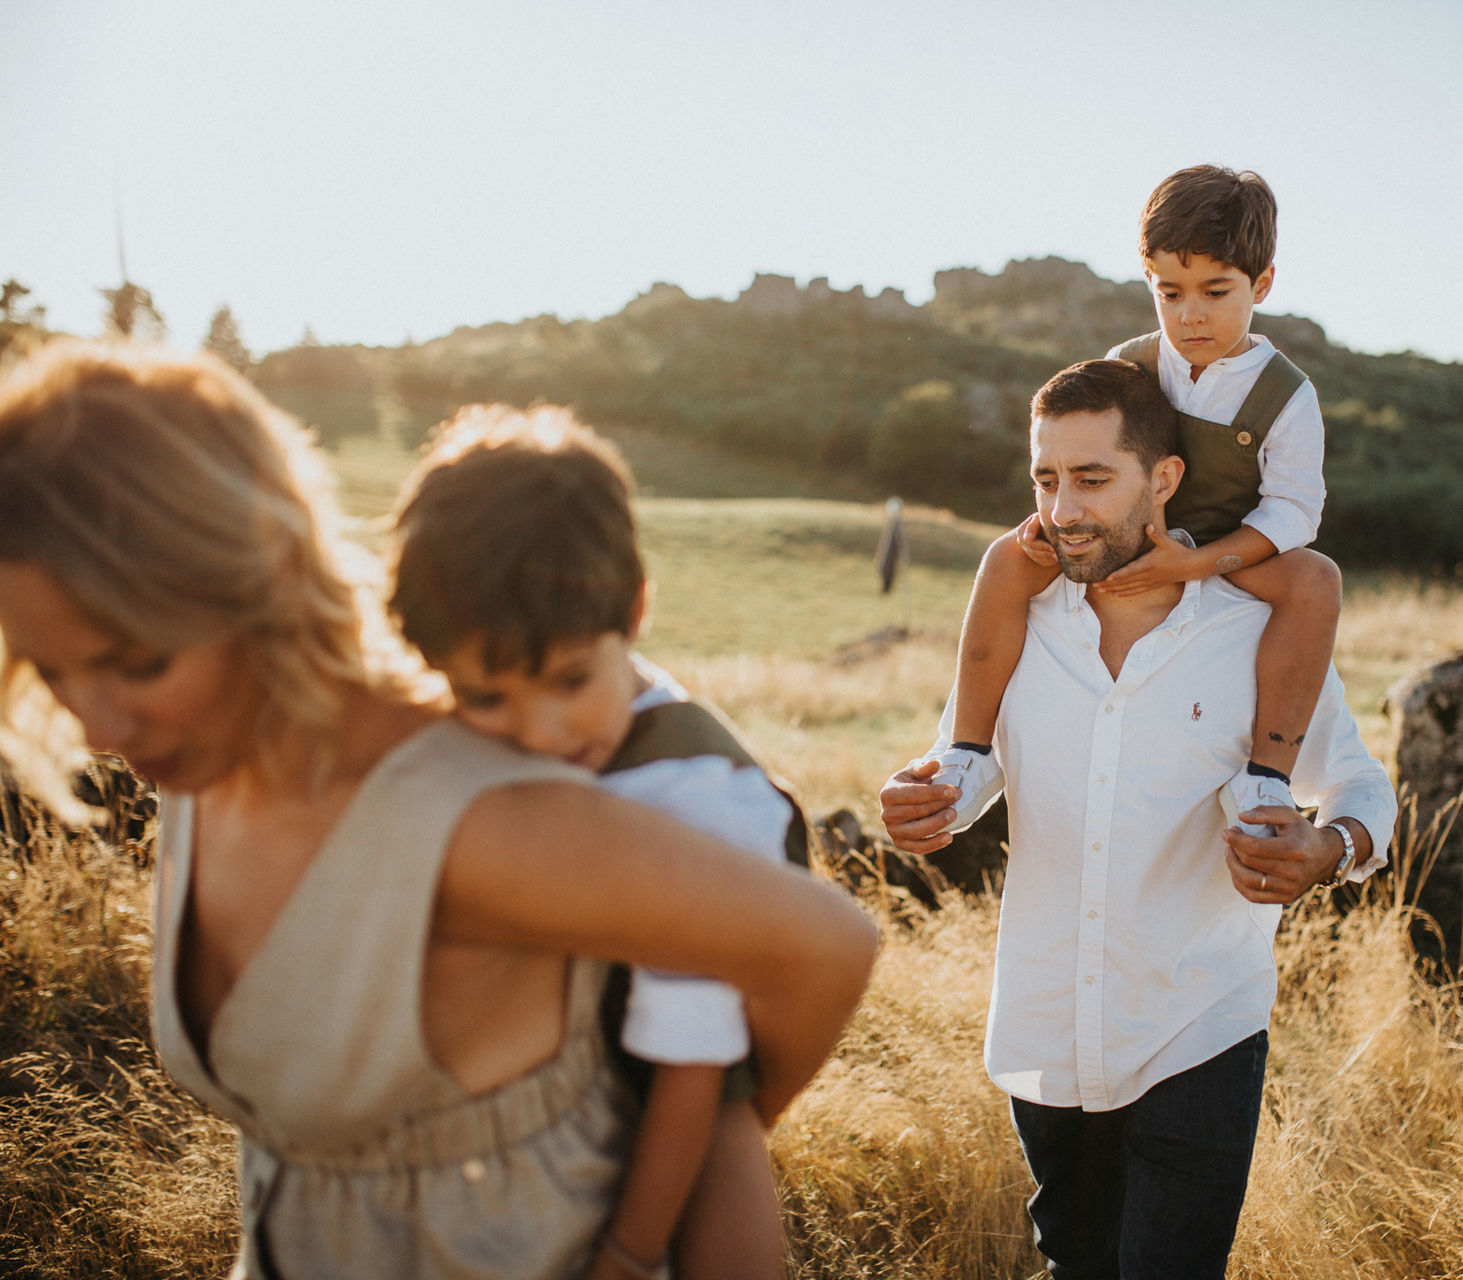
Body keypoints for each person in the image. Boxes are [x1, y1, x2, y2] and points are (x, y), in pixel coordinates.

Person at [0, 341, 876, 1280]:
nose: (95, 729)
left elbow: (824, 953)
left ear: (257, 574)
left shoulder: (482, 817)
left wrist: (690, 1151)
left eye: (139, 664)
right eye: (55, 669)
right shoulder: (195, 760)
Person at [880, 358, 1395, 1278]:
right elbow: (971, 762)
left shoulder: (1255, 633)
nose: (1062, 508)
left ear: (1162, 479)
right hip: (1048, 1029)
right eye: (1045, 478)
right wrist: (928, 802)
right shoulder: (1021, 616)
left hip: (1196, 1028)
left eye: (1091, 479)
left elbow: (1361, 785)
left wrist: (1332, 846)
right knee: (1076, 1266)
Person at [385, 404, 796, 1280]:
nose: (539, 731)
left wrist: (627, 1253)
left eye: (571, 681)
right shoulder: (494, 706)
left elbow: (694, 1070)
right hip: (530, 1109)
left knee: (726, 1160)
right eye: (487, 698)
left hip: (671, 1108)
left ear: (636, 610)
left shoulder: (694, 801)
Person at [933, 164, 1343, 845]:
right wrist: (1059, 517)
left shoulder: (1285, 395)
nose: (1190, 314)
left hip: (1228, 546)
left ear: (1261, 284)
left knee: (1315, 581)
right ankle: (967, 752)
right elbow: (1092, 450)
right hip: (1133, 533)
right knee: (1007, 559)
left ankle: (1267, 773)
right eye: (1169, 292)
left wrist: (1200, 564)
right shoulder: (1131, 361)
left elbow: (1295, 510)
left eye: (1216, 292)